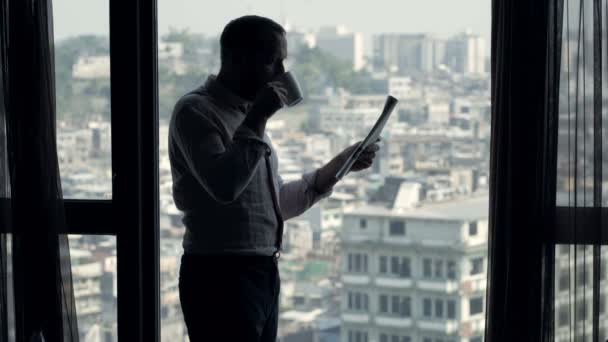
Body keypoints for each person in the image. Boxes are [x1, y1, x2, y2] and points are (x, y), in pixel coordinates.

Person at [168, 15, 380, 341]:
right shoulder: (196, 112)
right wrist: (259, 117)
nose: (282, 73)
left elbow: (272, 201)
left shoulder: (246, 119)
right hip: (220, 276)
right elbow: (226, 186)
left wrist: (339, 165)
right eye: (272, 62)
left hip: (260, 272)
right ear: (239, 60)